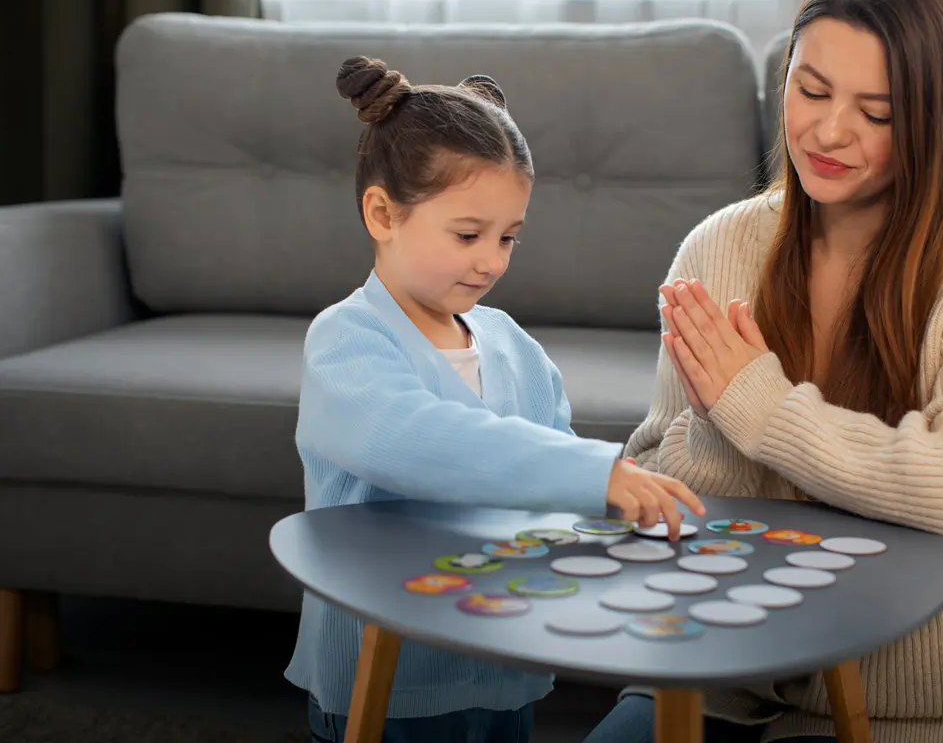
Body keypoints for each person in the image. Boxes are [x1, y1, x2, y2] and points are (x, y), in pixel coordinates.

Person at [584, 0, 943, 743]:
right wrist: (717, 428)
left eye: (876, 113)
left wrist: (762, 408)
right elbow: (653, 492)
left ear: (933, 116)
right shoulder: (718, 249)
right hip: (717, 680)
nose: (829, 130)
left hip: (915, 707)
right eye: (810, 89)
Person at [285, 56, 705, 743]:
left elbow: (553, 464)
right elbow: (422, 442)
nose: (492, 261)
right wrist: (593, 473)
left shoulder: (511, 343)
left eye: (509, 237)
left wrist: (621, 512)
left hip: (500, 661)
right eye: (468, 235)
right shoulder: (345, 342)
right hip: (388, 683)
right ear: (382, 213)